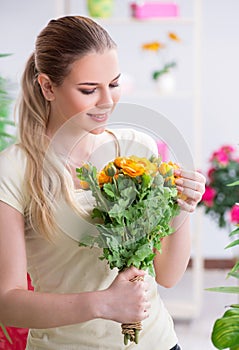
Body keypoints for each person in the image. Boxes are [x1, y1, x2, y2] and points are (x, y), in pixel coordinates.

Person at [0, 16, 205, 350]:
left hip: (157, 342)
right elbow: (7, 303)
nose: (107, 101)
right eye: (88, 89)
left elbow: (167, 275)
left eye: (114, 83)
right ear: (48, 86)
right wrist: (102, 303)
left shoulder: (135, 149)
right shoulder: (13, 169)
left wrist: (182, 207)